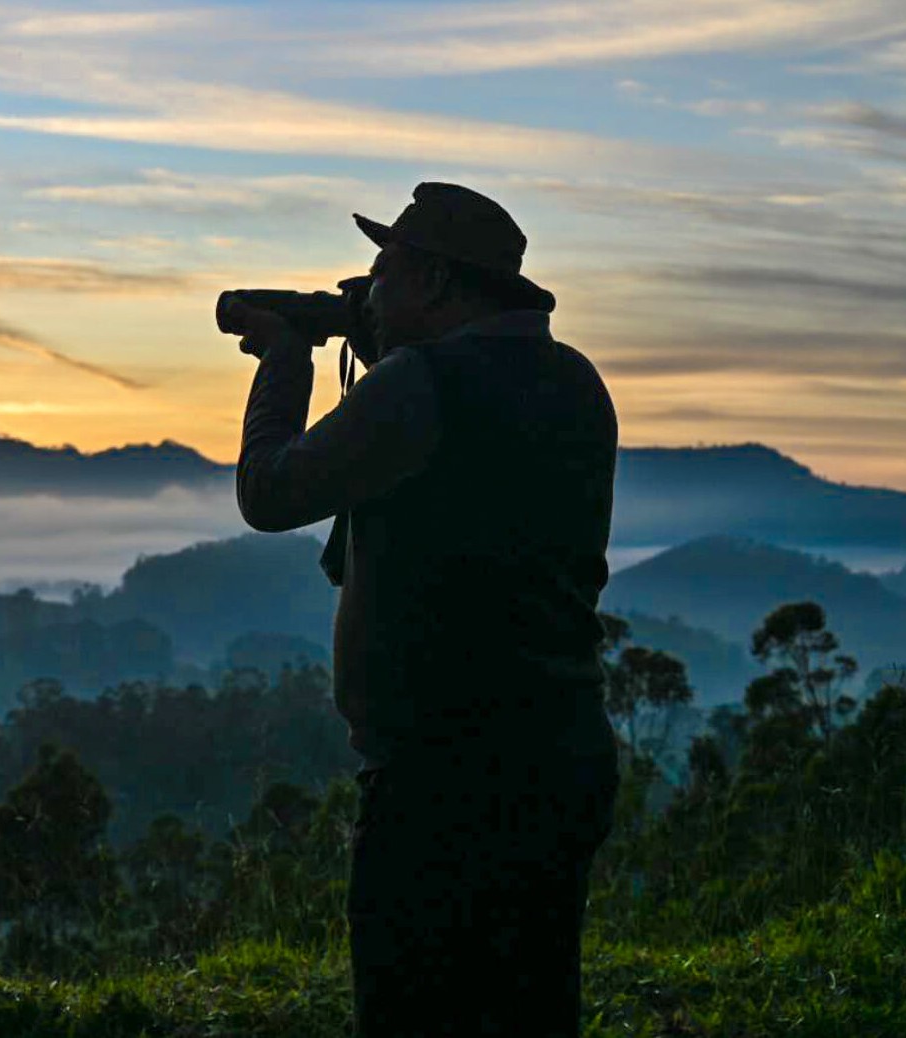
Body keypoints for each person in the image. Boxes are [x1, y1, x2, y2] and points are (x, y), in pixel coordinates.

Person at [234, 182, 621, 1037]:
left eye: (384, 272)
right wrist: (388, 352)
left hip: (440, 783)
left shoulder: (423, 384)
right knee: (530, 1010)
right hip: (561, 754)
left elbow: (269, 492)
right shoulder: (573, 380)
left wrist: (286, 359)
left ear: (438, 281)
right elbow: (461, 470)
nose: (367, 292)